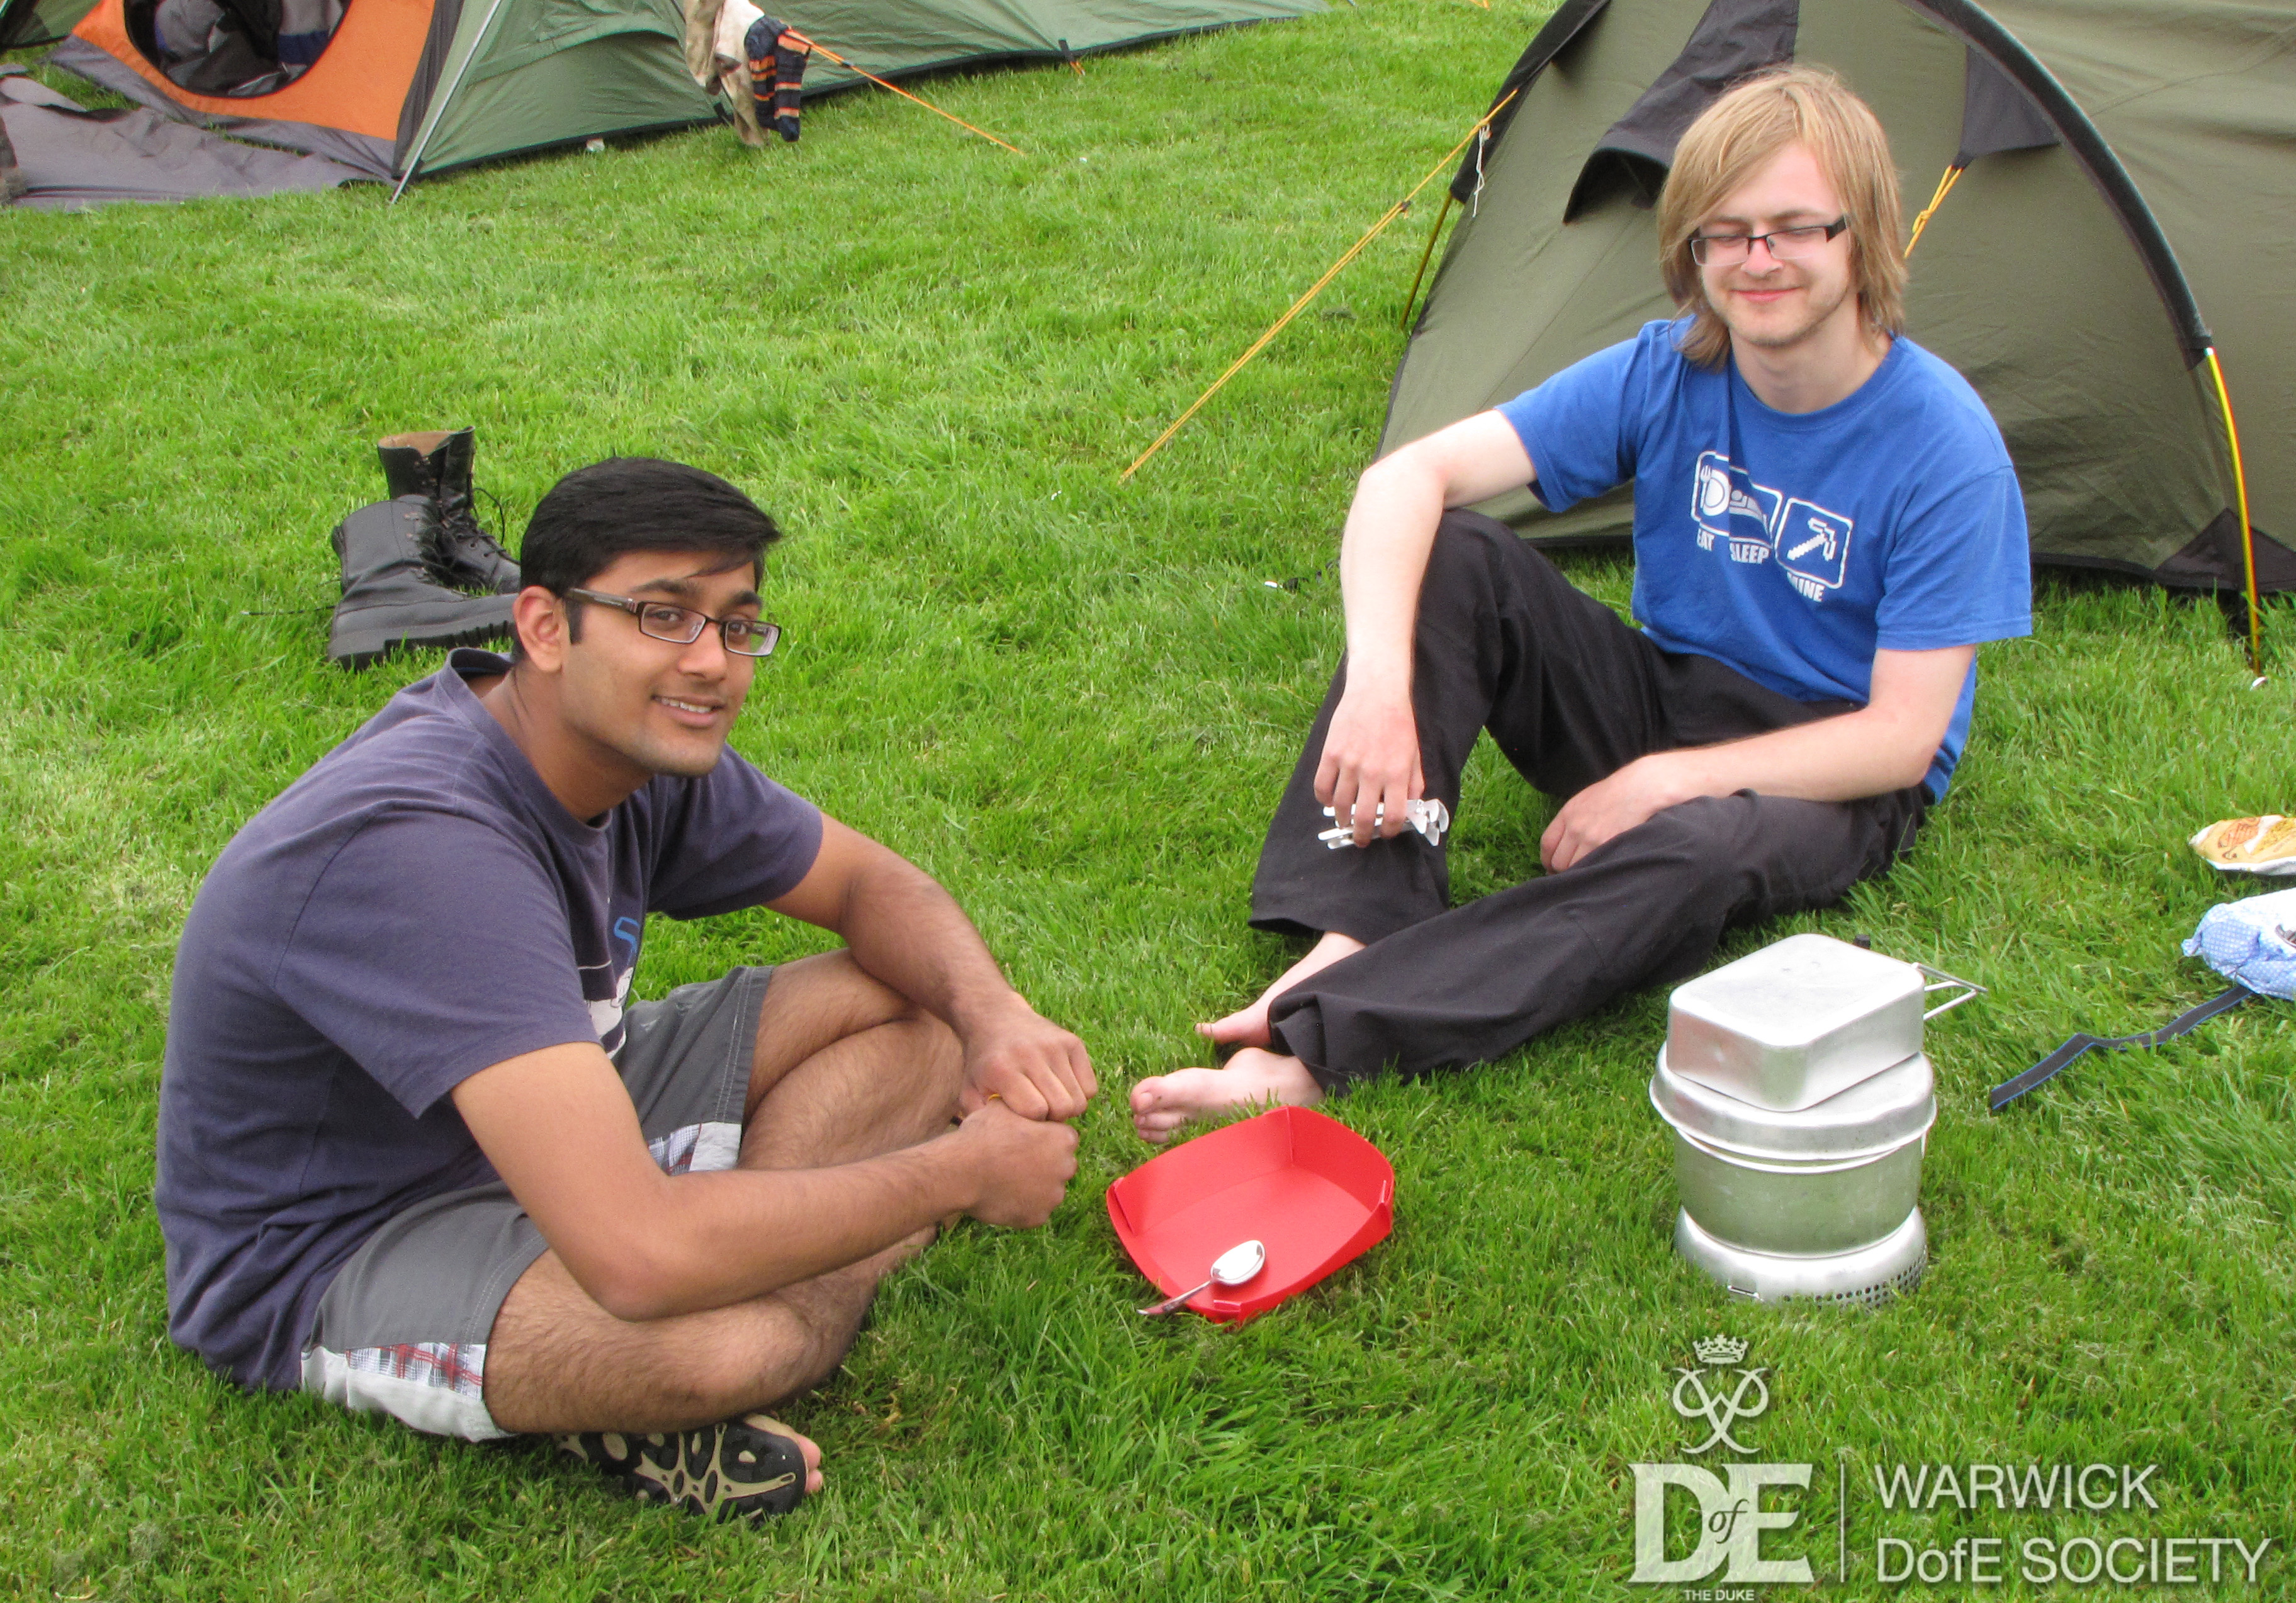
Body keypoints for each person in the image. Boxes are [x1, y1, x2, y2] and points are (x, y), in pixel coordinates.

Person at [159, 458, 1096, 1521]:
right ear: (544, 627)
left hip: (556, 1110)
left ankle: (740, 1251)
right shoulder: (426, 848)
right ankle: (718, 1302)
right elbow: (640, 1259)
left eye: (736, 625)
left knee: (923, 1007)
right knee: (730, 1342)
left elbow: (869, 885)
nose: (711, 663)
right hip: (350, 1239)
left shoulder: (624, 750)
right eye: (663, 615)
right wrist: (952, 1176)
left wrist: (995, 1016)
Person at [1132, 65, 2032, 1142]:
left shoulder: (1944, 444)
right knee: (1454, 555)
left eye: (1796, 227)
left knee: (1692, 853)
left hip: (1833, 769)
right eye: (1725, 231)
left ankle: (1328, 1047)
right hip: (1667, 690)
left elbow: (1900, 738)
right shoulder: (1672, 369)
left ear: (1864, 234)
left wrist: (1662, 783)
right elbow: (1407, 479)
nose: (1758, 260)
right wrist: (1377, 685)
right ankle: (1354, 927)